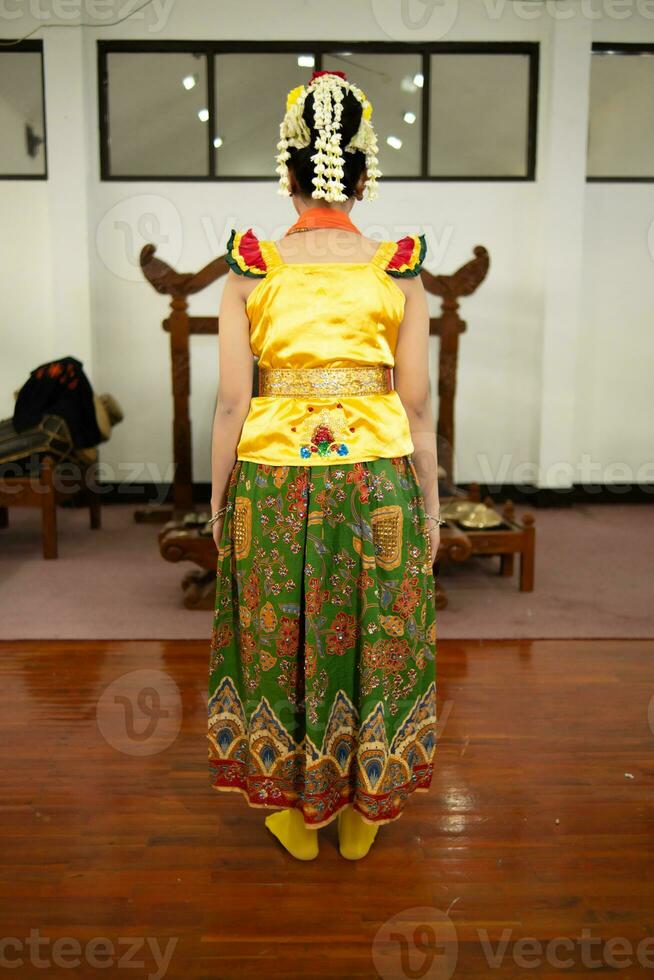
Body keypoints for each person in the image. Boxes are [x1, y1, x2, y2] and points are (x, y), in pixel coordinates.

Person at [207, 69, 441, 861]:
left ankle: (288, 804)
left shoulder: (251, 268)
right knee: (375, 633)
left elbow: (232, 406)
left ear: (289, 170)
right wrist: (434, 506)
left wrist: (214, 506)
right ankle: (361, 807)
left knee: (279, 633)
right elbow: (416, 406)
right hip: (377, 481)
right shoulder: (398, 269)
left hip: (271, 483)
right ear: (364, 174)